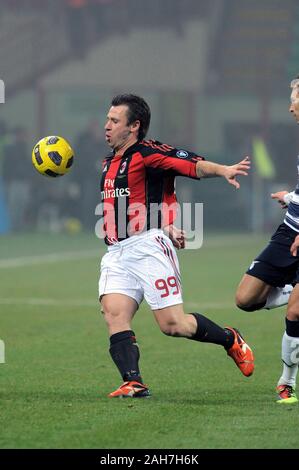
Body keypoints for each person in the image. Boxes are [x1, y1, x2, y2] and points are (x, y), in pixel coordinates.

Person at [99, 93, 254, 398]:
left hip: (147, 247)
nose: (107, 126)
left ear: (134, 126)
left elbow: (189, 165)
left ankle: (229, 339)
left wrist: (222, 170)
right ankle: (134, 381)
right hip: (116, 252)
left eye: (114, 121)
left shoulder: (147, 152)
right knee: (114, 314)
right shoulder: (110, 161)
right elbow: (164, 191)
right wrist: (169, 218)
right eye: (108, 119)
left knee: (173, 325)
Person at [235, 76, 299, 405]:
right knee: (245, 299)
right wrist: (290, 196)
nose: (290, 105)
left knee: (297, 312)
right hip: (289, 231)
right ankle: (288, 290)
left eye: (294, 98)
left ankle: (287, 380)